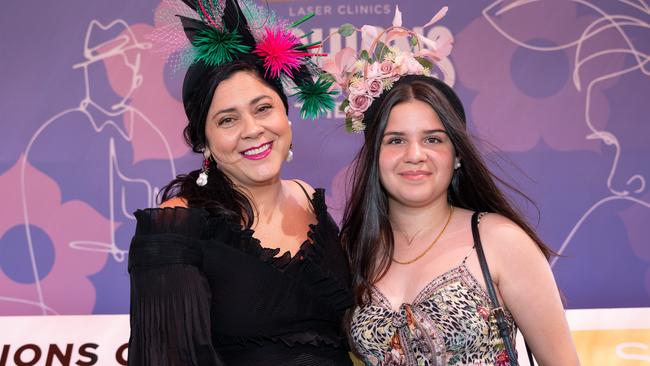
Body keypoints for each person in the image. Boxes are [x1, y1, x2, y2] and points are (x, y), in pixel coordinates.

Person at [330, 9, 580, 366]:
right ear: (375, 156)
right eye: (396, 140)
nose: (415, 155)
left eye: (433, 139)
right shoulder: (353, 250)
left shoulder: (499, 241)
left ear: (457, 155)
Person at [127, 1, 352, 365]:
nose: (252, 130)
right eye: (228, 120)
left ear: (286, 115)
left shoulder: (312, 201)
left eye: (263, 108)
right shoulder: (174, 229)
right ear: (205, 142)